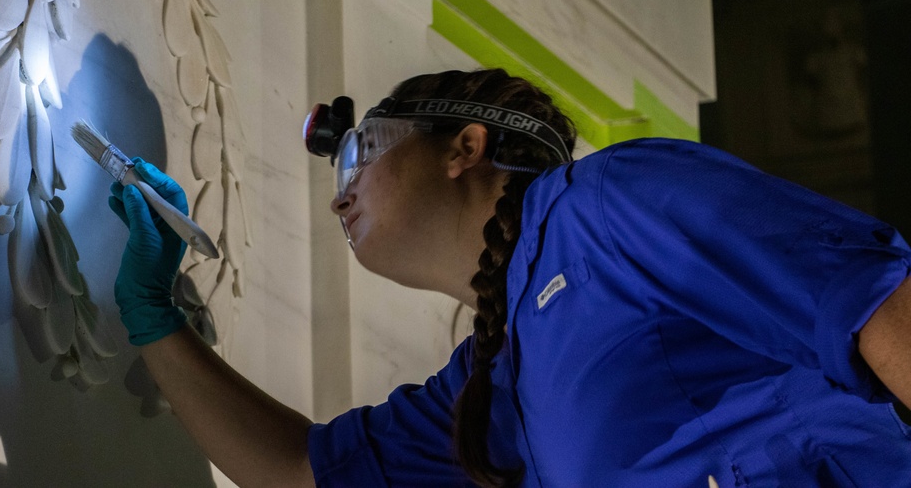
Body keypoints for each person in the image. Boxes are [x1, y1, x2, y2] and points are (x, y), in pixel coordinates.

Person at [107, 68, 911, 487]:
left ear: (464, 147)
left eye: (360, 151)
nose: (340, 191)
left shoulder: (609, 201)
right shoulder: (495, 384)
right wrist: (153, 313)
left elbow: (875, 304)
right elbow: (301, 474)